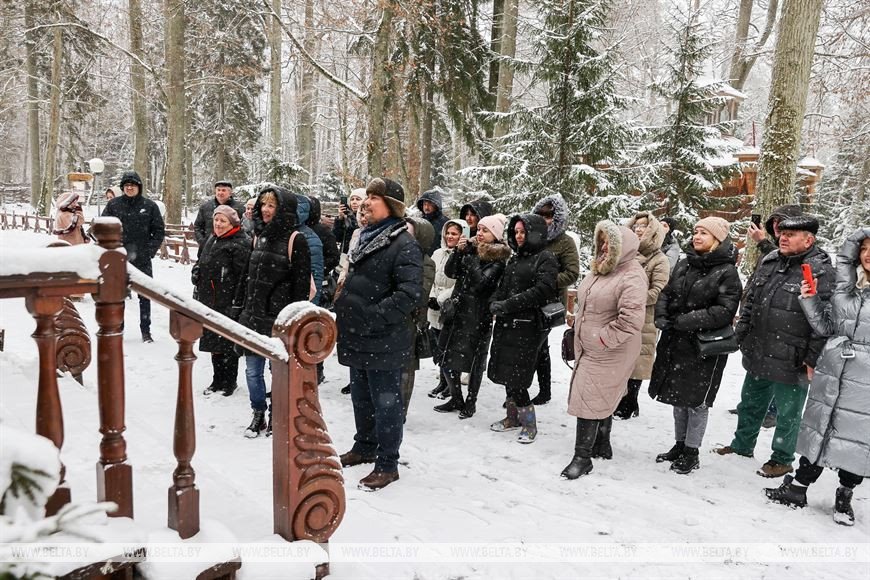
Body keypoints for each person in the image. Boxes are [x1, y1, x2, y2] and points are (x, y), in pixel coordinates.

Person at [764, 227, 870, 526]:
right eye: (863, 248)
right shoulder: (847, 288)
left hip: (866, 377)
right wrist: (809, 300)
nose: (868, 254)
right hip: (834, 367)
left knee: (859, 437)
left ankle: (845, 494)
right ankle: (798, 487)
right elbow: (826, 328)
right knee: (820, 429)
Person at [716, 215, 835, 477]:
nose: (783, 237)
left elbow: (825, 320)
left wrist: (812, 358)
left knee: (787, 414)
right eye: (782, 233)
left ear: (809, 239)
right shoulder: (770, 261)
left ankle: (782, 458)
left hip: (793, 356)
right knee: (750, 403)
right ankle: (742, 446)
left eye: (791, 234)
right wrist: (743, 334)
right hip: (759, 348)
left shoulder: (820, 270)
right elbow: (751, 301)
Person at [335, 178, 422, 491]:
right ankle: (364, 446)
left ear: (392, 206)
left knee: (387, 404)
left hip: (383, 338)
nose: (367, 202)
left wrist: (372, 317)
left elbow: (410, 293)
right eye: (367, 196)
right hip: (359, 335)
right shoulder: (366, 238)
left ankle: (387, 463)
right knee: (361, 398)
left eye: (375, 197)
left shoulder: (403, 243)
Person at [648, 217, 742, 474]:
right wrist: (662, 315)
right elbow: (666, 292)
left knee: (697, 401)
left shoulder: (727, 271)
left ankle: (692, 451)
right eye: (696, 232)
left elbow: (724, 310)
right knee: (678, 396)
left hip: (704, 347)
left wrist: (684, 321)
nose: (697, 236)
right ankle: (679, 444)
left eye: (704, 233)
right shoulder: (684, 263)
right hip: (677, 342)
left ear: (718, 239)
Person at [561, 220, 646, 479]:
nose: (605, 246)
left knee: (589, 396)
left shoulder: (632, 275)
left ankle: (582, 457)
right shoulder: (600, 269)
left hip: (610, 348)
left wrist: (601, 339)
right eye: (602, 241)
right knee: (600, 394)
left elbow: (630, 320)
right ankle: (602, 443)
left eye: (611, 242)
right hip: (592, 345)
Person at [236, 186, 311, 438]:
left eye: (271, 206)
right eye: (263, 205)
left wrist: (293, 323)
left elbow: (301, 289)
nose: (266, 210)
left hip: (279, 321)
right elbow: (247, 277)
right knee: (252, 371)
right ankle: (258, 412)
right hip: (253, 315)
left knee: (277, 371)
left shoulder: (295, 240)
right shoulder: (258, 236)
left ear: (283, 210)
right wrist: (240, 307)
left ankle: (277, 414)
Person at [487, 213, 558, 443]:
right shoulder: (515, 259)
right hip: (507, 325)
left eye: (523, 232)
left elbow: (542, 291)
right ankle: (512, 417)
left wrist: (507, 305)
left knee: (517, 377)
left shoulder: (545, 258)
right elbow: (504, 286)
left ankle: (529, 424)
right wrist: (495, 301)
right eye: (516, 231)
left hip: (527, 327)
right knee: (507, 374)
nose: (518, 236)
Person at [435, 215, 510, 418]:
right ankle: (456, 397)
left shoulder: (498, 259)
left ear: (494, 235)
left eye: (485, 230)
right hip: (457, 312)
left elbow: (481, 285)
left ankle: (471, 401)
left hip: (478, 317)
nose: (480, 233)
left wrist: (470, 259)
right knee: (446, 359)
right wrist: (458, 254)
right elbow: (451, 272)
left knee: (475, 362)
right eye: (479, 229)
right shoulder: (470, 250)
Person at [614, 212, 670, 420]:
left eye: (644, 226)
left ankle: (629, 402)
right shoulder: (625, 254)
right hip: (621, 314)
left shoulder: (659, 259)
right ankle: (624, 400)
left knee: (638, 361)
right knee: (621, 358)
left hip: (644, 317)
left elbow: (659, 290)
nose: (639, 229)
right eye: (636, 225)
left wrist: (633, 298)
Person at [191, 205, 251, 397]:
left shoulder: (240, 243)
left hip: (228, 301)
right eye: (216, 220)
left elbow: (243, 276)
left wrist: (236, 302)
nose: (218, 224)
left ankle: (229, 382)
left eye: (222, 221)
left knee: (227, 343)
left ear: (232, 223)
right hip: (209, 299)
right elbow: (201, 260)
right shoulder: (212, 239)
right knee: (212, 343)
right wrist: (196, 272)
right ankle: (217, 380)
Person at [102, 170, 165, 343]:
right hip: (119, 258)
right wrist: (111, 249)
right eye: (126, 185)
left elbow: (159, 231)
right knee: (118, 294)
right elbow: (103, 227)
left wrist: (149, 251)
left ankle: (146, 331)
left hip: (142, 259)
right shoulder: (113, 205)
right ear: (123, 188)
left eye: (133, 185)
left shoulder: (150, 206)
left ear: (139, 187)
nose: (130, 188)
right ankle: (118, 327)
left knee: (144, 296)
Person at [530, 195, 580, 405]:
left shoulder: (565, 242)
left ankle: (524, 391)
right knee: (538, 348)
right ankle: (543, 390)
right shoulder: (532, 237)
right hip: (528, 299)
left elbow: (572, 273)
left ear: (557, 217)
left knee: (535, 345)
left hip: (549, 302)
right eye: (540, 214)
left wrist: (546, 281)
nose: (544, 218)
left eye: (549, 214)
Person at [426, 219, 466, 399]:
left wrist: (441, 299)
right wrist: (432, 296)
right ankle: (442, 381)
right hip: (433, 305)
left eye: (454, 234)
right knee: (438, 348)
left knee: (449, 350)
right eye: (448, 233)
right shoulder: (437, 253)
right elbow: (431, 277)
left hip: (449, 306)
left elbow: (460, 283)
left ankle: (451, 386)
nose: (450, 236)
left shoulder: (464, 256)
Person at [399, 217, 436, 418]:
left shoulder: (426, 263)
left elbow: (419, 295)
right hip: (394, 320)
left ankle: (400, 411)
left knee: (406, 368)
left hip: (411, 322)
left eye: (409, 232)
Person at [306, 196, 341, 312]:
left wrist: (318, 269)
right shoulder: (296, 228)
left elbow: (334, 257)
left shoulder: (323, 232)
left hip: (318, 282)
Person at [193, 180, 245, 248]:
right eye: (218, 190)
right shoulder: (205, 207)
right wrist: (203, 242)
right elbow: (197, 227)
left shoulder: (240, 208)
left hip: (230, 249)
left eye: (223, 190)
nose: (220, 193)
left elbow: (243, 228)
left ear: (230, 193)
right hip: (207, 249)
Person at [294, 194, 324, 305]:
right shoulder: (269, 233)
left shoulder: (310, 238)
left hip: (294, 304)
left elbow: (315, 277)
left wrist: (310, 307)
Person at [416, 189, 450, 255]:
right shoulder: (419, 222)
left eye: (429, 204)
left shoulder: (446, 223)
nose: (426, 207)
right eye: (425, 204)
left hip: (438, 258)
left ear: (436, 205)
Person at [334, 188, 365, 254]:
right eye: (352, 199)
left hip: (358, 254)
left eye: (358, 199)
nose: (354, 202)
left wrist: (351, 217)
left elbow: (358, 231)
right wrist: (340, 219)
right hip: (345, 255)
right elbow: (337, 237)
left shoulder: (366, 218)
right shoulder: (346, 217)